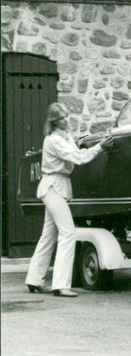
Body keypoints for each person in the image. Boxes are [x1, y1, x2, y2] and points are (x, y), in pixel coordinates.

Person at [25, 102, 114, 297]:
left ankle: (34, 279)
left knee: (48, 236)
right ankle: (60, 285)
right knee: (68, 233)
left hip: (55, 186)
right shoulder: (54, 140)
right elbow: (79, 158)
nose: (67, 120)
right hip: (53, 186)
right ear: (55, 122)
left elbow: (77, 152)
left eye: (67, 116)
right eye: (63, 118)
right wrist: (100, 147)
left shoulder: (64, 137)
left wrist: (90, 145)